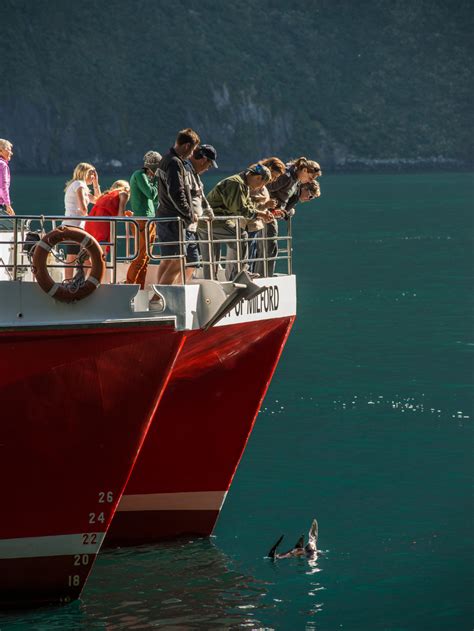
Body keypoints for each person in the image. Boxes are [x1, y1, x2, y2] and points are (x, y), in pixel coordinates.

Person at [197, 163, 273, 281]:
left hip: (205, 222)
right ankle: (238, 275)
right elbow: (239, 209)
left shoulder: (242, 184)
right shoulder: (236, 183)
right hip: (216, 220)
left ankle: (210, 281)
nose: (259, 188)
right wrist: (260, 214)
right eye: (262, 184)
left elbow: (248, 206)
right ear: (258, 177)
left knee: (211, 257)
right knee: (241, 236)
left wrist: (261, 211)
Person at [262, 157, 322, 277]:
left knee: (267, 246)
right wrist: (267, 205)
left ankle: (264, 273)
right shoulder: (288, 177)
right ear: (304, 170)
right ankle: (264, 275)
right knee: (269, 245)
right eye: (310, 178)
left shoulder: (295, 180)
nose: (309, 181)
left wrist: (282, 211)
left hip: (272, 213)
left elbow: (283, 200)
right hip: (267, 213)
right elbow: (266, 187)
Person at [156, 128, 200, 285]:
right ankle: (158, 298)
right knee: (177, 261)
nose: (192, 154)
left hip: (164, 217)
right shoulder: (174, 163)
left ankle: (156, 295)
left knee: (168, 261)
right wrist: (189, 214)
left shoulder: (166, 159)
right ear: (187, 146)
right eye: (193, 149)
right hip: (173, 220)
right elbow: (176, 193)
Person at [125, 151, 161, 288]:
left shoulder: (147, 177)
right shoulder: (140, 175)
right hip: (142, 220)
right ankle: (129, 286)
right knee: (141, 257)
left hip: (149, 221)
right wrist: (157, 180)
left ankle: (140, 289)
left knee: (146, 258)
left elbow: (156, 198)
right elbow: (151, 194)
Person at [182, 144, 218, 283]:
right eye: (208, 165)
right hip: (184, 225)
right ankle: (167, 292)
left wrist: (208, 210)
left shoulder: (194, 174)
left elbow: (200, 195)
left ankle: (182, 286)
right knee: (177, 262)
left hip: (192, 226)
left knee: (193, 262)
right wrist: (190, 212)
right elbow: (182, 196)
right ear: (203, 160)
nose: (207, 169)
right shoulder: (186, 171)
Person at [247, 157, 286, 274]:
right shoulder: (254, 182)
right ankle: (246, 275)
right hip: (248, 223)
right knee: (248, 253)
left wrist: (271, 211)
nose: (273, 180)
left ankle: (251, 274)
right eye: (274, 176)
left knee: (253, 252)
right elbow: (247, 203)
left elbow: (261, 205)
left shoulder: (263, 186)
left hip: (256, 224)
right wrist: (266, 205)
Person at [63, 162, 101, 279]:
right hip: (74, 225)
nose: (93, 176)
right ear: (85, 173)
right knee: (74, 256)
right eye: (92, 174)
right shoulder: (79, 185)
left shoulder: (78, 185)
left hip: (76, 225)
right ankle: (75, 282)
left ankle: (75, 281)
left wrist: (96, 184)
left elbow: (98, 201)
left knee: (81, 256)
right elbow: (83, 208)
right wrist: (85, 212)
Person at [84, 180, 131, 254]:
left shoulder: (106, 195)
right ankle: (101, 265)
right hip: (102, 226)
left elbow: (107, 209)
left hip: (90, 223)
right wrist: (128, 217)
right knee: (101, 255)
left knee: (89, 253)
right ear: (126, 189)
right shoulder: (123, 194)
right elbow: (120, 217)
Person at [0, 139, 15, 229]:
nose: (11, 153)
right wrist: (8, 205)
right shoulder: (2, 165)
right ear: (1, 150)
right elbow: (3, 186)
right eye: (9, 149)